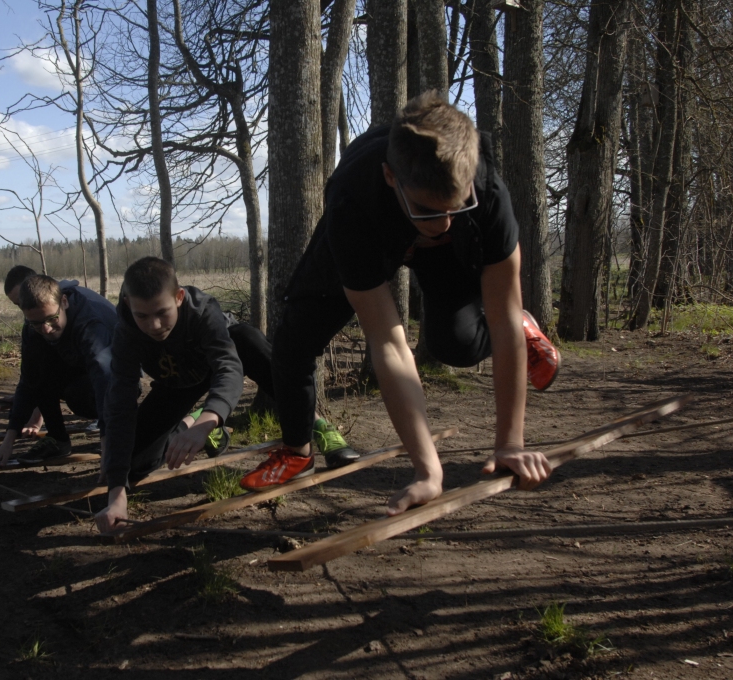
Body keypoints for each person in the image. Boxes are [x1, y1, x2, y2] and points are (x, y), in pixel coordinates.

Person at [239, 91, 561, 513]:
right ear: (392, 177)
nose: (444, 222)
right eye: (432, 210)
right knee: (294, 337)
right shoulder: (352, 203)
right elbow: (389, 345)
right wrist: (428, 471)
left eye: (456, 206)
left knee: (457, 346)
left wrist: (510, 444)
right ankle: (297, 451)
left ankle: (527, 323)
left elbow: (498, 319)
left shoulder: (486, 191)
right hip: (373, 226)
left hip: (444, 249)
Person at [94, 257, 355, 534]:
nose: (154, 325)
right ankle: (201, 428)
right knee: (134, 464)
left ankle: (315, 424)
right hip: (175, 383)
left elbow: (228, 367)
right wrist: (116, 491)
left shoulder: (202, 310)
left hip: (223, 361)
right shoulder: (125, 332)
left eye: (162, 312)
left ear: (179, 297)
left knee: (247, 338)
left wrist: (210, 417)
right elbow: (120, 402)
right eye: (142, 316)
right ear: (128, 304)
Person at [0, 274, 117, 467]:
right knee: (41, 372)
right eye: (36, 323)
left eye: (51, 319)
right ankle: (58, 439)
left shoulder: (90, 325)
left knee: (81, 397)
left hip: (119, 376)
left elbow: (104, 380)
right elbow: (28, 382)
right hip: (76, 364)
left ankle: (126, 427)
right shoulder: (33, 329)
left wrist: (108, 445)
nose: (46, 328)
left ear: (64, 302)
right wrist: (7, 443)